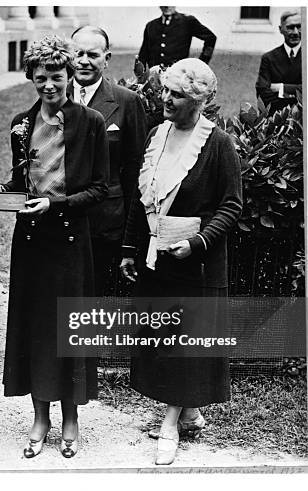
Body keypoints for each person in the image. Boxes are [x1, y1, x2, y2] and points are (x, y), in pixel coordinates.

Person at [0, 35, 109, 459]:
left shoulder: (89, 121)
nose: (49, 86)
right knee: (36, 327)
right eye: (40, 78)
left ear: (69, 75)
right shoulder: (21, 122)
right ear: (31, 79)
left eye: (56, 77)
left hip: (71, 244)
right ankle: (40, 417)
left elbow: (99, 190)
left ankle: (71, 418)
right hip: (31, 242)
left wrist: (55, 205)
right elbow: (21, 185)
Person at [120, 58, 242, 465]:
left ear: (198, 101)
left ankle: (170, 423)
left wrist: (200, 242)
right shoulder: (157, 134)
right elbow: (144, 198)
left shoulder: (218, 144)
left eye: (176, 94)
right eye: (165, 91)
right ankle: (189, 411)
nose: (166, 99)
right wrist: (129, 249)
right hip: (159, 258)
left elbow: (232, 206)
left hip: (196, 262)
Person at [70, 25, 147, 296]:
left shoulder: (127, 102)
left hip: (105, 222)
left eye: (93, 55)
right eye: (77, 53)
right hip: (61, 218)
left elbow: (136, 171)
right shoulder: (54, 95)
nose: (84, 61)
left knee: (98, 298)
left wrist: (130, 238)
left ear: (107, 58)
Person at [138, 7, 216, 70]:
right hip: (155, 80)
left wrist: (201, 64)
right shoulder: (151, 26)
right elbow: (143, 54)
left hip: (178, 79)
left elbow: (211, 38)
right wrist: (141, 75)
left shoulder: (188, 21)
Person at [256, 10, 302, 116]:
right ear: (281, 29)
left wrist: (280, 88)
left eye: (299, 27)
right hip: (276, 119)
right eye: (290, 27)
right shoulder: (269, 58)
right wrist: (297, 92)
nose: (295, 32)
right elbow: (262, 92)